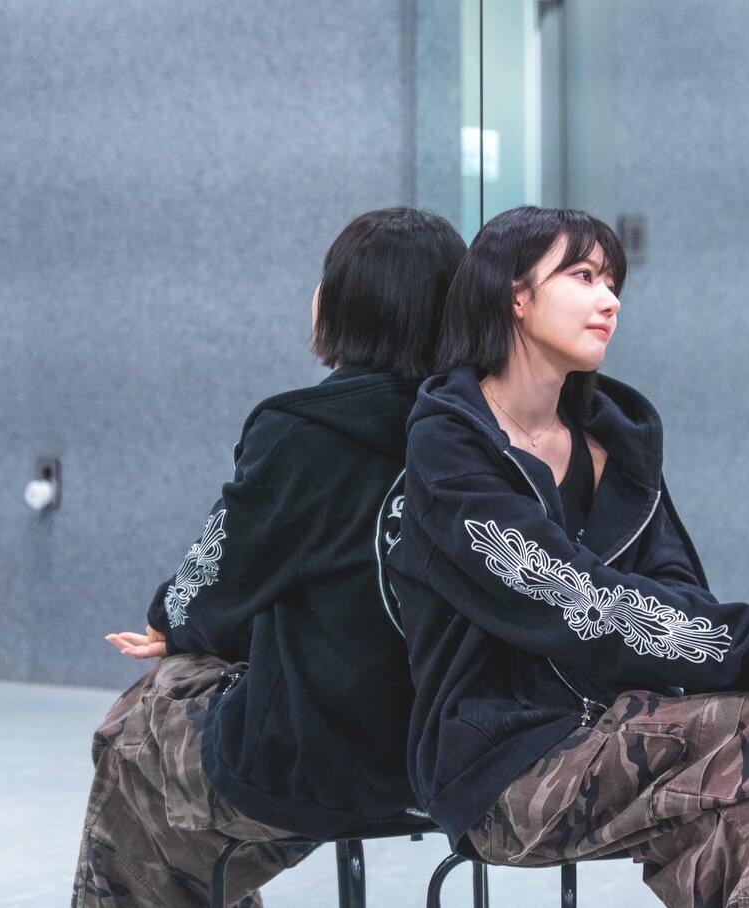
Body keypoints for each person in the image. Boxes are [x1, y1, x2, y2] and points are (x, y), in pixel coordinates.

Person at [386, 206, 749, 907]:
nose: (610, 300)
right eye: (583, 276)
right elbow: (576, 602)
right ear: (515, 294)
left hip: (626, 734)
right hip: (504, 768)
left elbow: (676, 585)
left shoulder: (614, 444)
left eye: (613, 282)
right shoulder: (449, 447)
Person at [72, 206, 466, 908]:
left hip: (322, 764)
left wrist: (170, 618)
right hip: (459, 759)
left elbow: (216, 584)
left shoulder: (301, 432)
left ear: (347, 305)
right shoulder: (481, 428)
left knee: (136, 725)